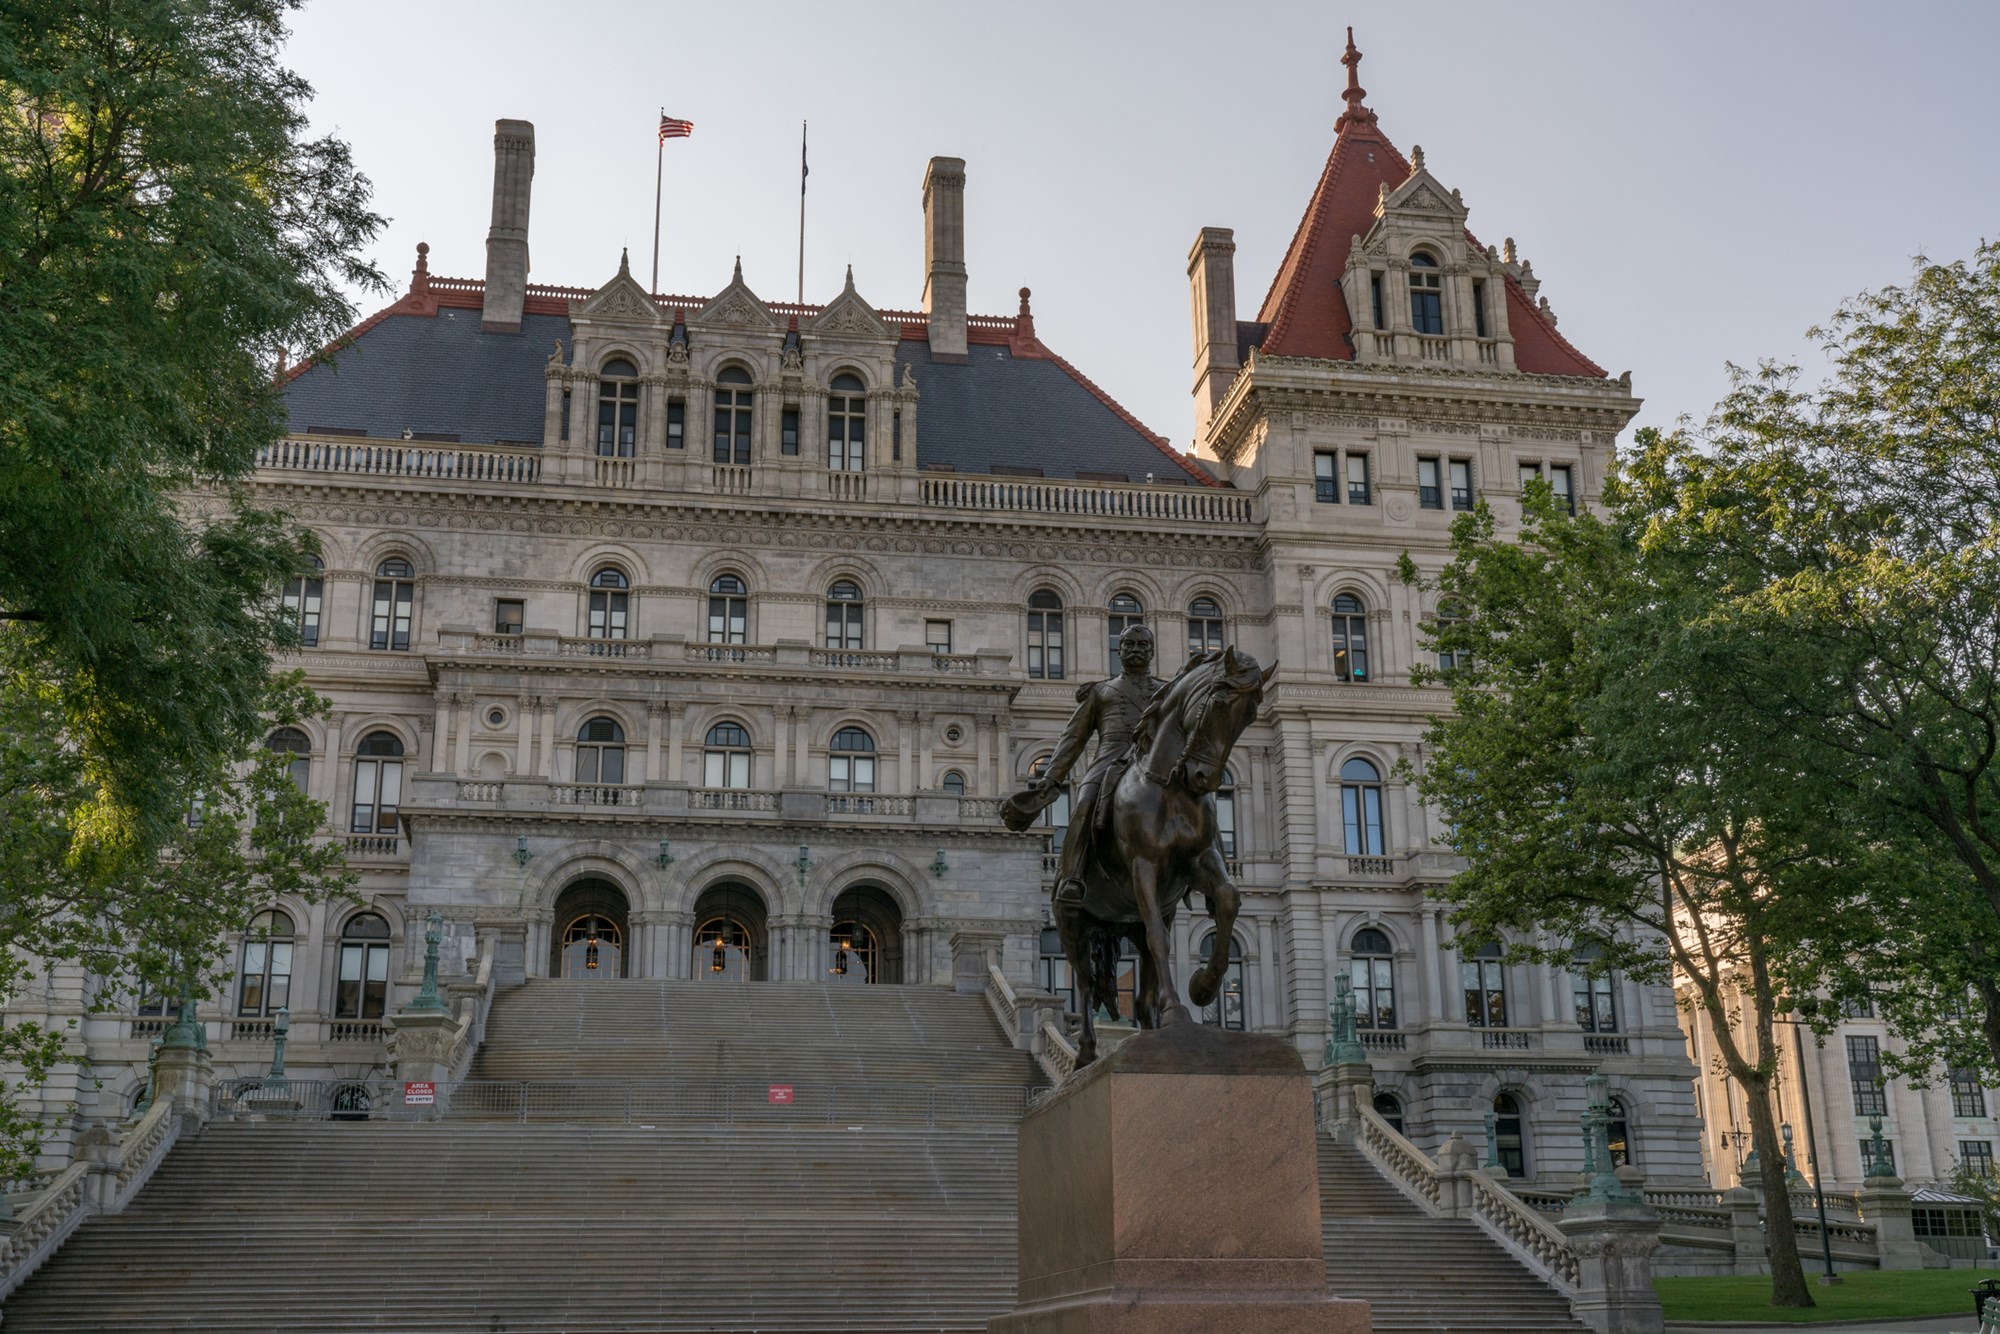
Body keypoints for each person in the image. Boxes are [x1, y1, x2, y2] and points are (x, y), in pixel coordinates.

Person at [1009, 624, 1167, 910]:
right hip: (1110, 757)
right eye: (1128, 644)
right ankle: (1073, 876)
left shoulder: (1167, 692)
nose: (1135, 649)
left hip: (1154, 760)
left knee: (1197, 802)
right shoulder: (1102, 691)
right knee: (1084, 804)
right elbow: (1074, 738)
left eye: (1142, 644)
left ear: (1152, 651)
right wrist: (1052, 777)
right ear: (1118, 651)